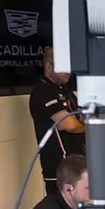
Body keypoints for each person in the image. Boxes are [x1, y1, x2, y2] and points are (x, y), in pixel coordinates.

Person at [29, 47, 85, 195]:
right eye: (64, 66)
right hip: (59, 168)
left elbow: (83, 116)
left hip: (78, 163)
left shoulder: (65, 90)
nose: (69, 71)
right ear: (49, 67)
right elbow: (70, 125)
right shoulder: (43, 91)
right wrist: (86, 126)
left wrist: (82, 122)